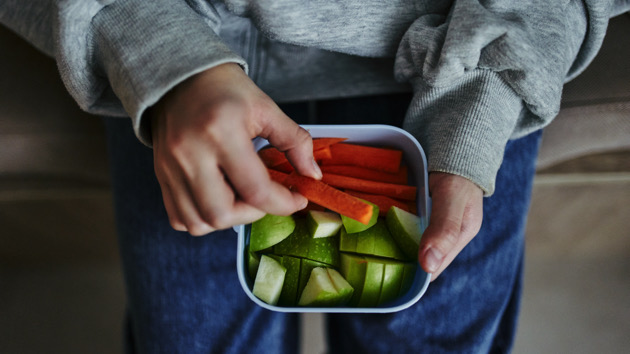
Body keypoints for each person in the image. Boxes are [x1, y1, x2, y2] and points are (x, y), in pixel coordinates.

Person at [2, 1, 629, 352]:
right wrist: (163, 58)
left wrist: (479, 113)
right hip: (184, 51)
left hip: (471, 52)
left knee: (432, 340)